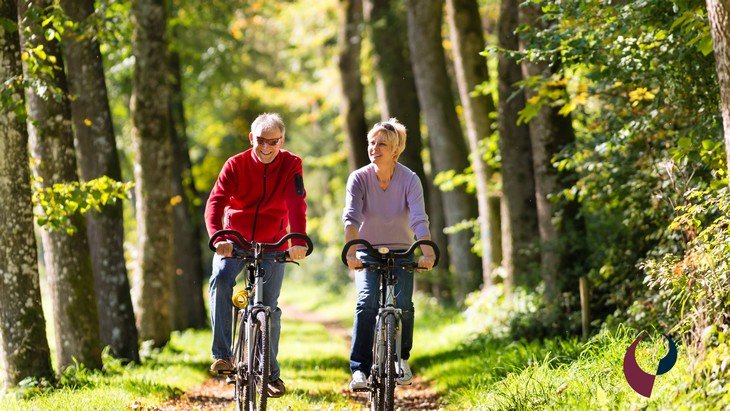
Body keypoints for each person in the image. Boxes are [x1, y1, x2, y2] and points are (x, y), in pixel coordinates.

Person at [204, 112, 308, 398]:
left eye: (273, 142)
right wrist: (218, 236)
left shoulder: (291, 164)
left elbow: (296, 203)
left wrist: (297, 239)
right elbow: (216, 203)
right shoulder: (235, 164)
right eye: (260, 140)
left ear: (281, 140)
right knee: (222, 279)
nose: (266, 147)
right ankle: (223, 354)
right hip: (233, 239)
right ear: (252, 138)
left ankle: (271, 374)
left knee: (269, 309)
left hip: (274, 241)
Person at [342, 118, 436, 390]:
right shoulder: (359, 178)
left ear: (395, 150)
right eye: (372, 143)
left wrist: (426, 251)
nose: (374, 148)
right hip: (368, 252)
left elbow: (419, 219)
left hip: (403, 250)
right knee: (367, 301)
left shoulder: (410, 179)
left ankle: (401, 358)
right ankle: (359, 369)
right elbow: (351, 218)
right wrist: (351, 250)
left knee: (404, 305)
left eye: (381, 143)